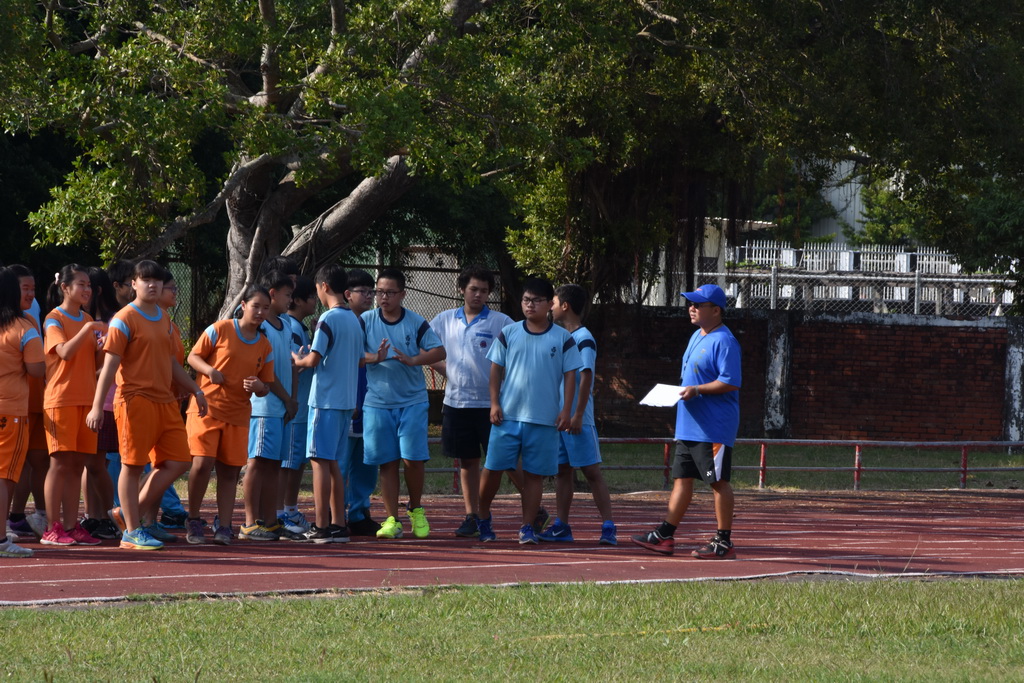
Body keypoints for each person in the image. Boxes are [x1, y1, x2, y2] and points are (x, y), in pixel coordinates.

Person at [86, 260, 209, 550]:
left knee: (179, 461)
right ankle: (131, 531)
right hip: (135, 401)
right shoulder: (124, 319)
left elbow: (170, 362)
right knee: (132, 466)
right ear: (134, 284)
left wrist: (195, 389)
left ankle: (129, 514)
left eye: (157, 280)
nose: (152, 285)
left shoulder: (164, 317)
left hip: (165, 401)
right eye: (146, 280)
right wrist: (96, 406)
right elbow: (109, 366)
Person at [633, 283, 741, 559]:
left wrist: (697, 390)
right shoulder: (696, 336)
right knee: (681, 479)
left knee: (718, 482)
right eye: (690, 303)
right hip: (689, 424)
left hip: (712, 427)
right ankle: (664, 535)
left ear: (716, 310)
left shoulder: (725, 341)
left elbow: (730, 381)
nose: (691, 308)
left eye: (697, 304)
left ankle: (723, 542)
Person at [477, 277, 581, 544]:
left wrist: (566, 410)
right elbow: (495, 370)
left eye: (536, 300)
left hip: (544, 420)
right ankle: (483, 517)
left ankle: (527, 526)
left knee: (534, 476)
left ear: (549, 304)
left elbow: (571, 375)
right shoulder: (509, 333)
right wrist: (494, 403)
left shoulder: (563, 338)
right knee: (492, 469)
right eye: (526, 300)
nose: (530, 305)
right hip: (508, 417)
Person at [185, 284, 276, 545]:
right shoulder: (220, 329)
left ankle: (224, 526)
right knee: (202, 463)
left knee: (229, 472)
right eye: (256, 306)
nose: (260, 312)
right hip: (206, 409)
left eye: (266, 308)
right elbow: (193, 357)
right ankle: (193, 519)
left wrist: (259, 387)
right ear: (243, 305)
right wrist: (209, 371)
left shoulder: (264, 345)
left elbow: (266, 386)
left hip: (238, 415)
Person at [429, 265, 514, 537]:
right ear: (461, 289)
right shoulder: (444, 320)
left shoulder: (502, 322)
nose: (478, 295)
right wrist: (448, 370)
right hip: (457, 403)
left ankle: (534, 510)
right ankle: (472, 515)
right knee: (467, 461)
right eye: (473, 289)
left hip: (491, 405)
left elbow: (516, 357)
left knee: (505, 460)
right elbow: (426, 349)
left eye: (484, 291)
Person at [360, 268, 446, 540]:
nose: (383, 297)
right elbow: (352, 354)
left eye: (390, 292)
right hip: (377, 402)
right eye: (379, 292)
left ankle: (416, 508)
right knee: (387, 461)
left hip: (412, 401)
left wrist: (413, 360)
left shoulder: (416, 322)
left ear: (402, 294)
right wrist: (375, 357)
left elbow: (439, 351)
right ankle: (391, 519)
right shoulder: (365, 320)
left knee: (413, 459)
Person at [293, 263, 368, 543]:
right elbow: (360, 360)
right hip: (346, 400)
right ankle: (338, 523)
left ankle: (322, 525)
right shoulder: (354, 320)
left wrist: (297, 358)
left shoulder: (328, 318)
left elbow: (313, 360)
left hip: (325, 401)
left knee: (319, 462)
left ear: (324, 286)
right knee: (334, 462)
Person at [539, 284, 617, 545]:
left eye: (553, 302)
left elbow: (586, 377)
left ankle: (608, 527)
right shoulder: (562, 337)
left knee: (591, 472)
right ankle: (562, 526)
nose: (550, 307)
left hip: (577, 419)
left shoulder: (584, 338)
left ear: (565, 306)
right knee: (562, 471)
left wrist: (579, 414)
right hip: (560, 419)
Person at [39, 265, 106, 546]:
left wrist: (103, 347)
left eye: (88, 285)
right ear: (64, 287)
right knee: (60, 464)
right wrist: (89, 329)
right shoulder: (54, 318)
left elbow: (95, 363)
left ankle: (70, 525)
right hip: (61, 400)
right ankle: (51, 528)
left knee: (78, 465)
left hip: (86, 400)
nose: (87, 289)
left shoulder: (87, 318)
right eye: (81, 284)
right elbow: (65, 352)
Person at [241, 270, 298, 541]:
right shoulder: (261, 328)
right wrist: (286, 398)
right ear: (273, 293)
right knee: (257, 462)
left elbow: (291, 365)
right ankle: (249, 522)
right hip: (264, 407)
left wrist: (292, 399)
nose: (291, 300)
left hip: (282, 408)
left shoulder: (285, 325)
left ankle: (271, 521)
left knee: (274, 464)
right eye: (287, 295)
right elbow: (265, 370)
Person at [0, 266, 45, 558]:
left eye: (32, 288)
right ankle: (1, 539)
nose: (30, 294)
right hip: (10, 409)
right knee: (4, 476)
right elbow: (37, 370)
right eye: (25, 288)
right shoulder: (25, 327)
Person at [79, 266, 120, 540]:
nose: (83, 292)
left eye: (87, 287)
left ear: (99, 291)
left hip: (106, 402)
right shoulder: (84, 320)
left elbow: (112, 365)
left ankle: (109, 515)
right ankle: (92, 516)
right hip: (86, 401)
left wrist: (84, 374)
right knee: (90, 463)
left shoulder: (115, 321)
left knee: (97, 462)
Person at [341, 269, 381, 536]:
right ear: (347, 294)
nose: (369, 296)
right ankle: (334, 513)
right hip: (345, 401)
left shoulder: (371, 321)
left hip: (370, 401)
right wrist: (374, 357)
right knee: (340, 463)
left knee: (367, 462)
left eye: (371, 291)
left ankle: (359, 512)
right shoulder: (338, 321)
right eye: (362, 292)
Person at [276, 274, 316, 536]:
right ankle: (281, 512)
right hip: (294, 408)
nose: (315, 301)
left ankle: (289, 509)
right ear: (299, 301)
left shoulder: (299, 327)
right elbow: (292, 363)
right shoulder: (289, 326)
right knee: (288, 463)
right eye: (311, 297)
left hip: (301, 407)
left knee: (297, 461)